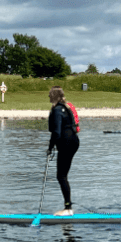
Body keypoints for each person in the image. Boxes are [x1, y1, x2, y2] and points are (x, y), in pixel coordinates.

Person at [47, 86, 80, 217]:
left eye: (50, 95)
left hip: (66, 143)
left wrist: (50, 148)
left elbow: (56, 132)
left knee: (61, 176)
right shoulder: (66, 107)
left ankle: (68, 208)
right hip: (74, 141)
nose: (48, 97)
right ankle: (68, 206)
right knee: (63, 175)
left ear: (53, 96)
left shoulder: (56, 110)